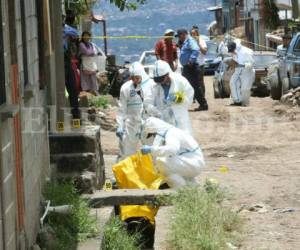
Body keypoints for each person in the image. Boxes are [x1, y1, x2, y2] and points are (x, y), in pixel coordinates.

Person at [140, 117, 205, 188]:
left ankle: (181, 190)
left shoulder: (171, 134)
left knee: (162, 162)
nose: (154, 136)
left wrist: (151, 150)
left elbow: (172, 150)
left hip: (193, 163)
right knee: (168, 165)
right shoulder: (172, 132)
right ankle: (193, 187)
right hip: (192, 162)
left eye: (154, 134)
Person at [116, 62, 156, 160]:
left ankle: (153, 173)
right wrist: (120, 125)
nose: (135, 80)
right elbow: (122, 109)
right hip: (131, 124)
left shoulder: (152, 85)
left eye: (137, 78)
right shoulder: (126, 88)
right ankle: (124, 174)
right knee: (126, 151)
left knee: (152, 152)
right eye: (133, 78)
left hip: (148, 124)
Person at [150, 60, 194, 135]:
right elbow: (151, 102)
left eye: (161, 79)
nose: (160, 82)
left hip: (180, 118)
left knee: (184, 141)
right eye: (157, 80)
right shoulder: (155, 86)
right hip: (164, 121)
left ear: (167, 75)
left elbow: (189, 98)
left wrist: (179, 98)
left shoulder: (180, 81)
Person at [176, 29, 208, 111]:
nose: (178, 38)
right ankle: (180, 103)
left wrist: (191, 60)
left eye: (179, 36)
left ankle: (203, 105)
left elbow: (196, 49)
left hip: (191, 67)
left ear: (183, 34)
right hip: (188, 67)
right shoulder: (185, 42)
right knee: (184, 84)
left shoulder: (190, 40)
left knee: (194, 86)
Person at [63, 11, 80, 119]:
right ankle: (74, 115)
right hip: (62, 60)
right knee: (71, 89)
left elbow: (75, 34)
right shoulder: (65, 29)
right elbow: (75, 33)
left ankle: (75, 116)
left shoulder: (66, 29)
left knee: (73, 89)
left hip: (66, 60)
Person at [227, 41, 255, 106]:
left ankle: (245, 102)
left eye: (232, 50)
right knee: (232, 83)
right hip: (238, 70)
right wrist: (230, 64)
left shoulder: (246, 52)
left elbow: (251, 63)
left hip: (247, 71)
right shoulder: (234, 52)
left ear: (235, 48)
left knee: (245, 88)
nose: (231, 52)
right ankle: (237, 101)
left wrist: (242, 65)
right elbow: (235, 60)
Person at [190, 27, 208, 106]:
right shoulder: (190, 42)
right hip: (192, 64)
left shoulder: (202, 41)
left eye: (194, 34)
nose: (193, 35)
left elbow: (204, 52)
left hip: (200, 64)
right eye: (192, 34)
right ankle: (194, 97)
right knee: (192, 82)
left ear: (197, 34)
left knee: (200, 82)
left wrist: (198, 44)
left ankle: (202, 98)